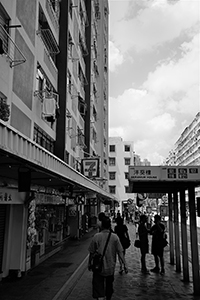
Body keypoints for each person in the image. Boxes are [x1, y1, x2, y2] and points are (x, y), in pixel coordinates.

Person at [88, 216, 127, 300]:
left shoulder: (96, 236)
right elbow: (120, 251)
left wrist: (89, 263)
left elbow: (91, 252)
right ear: (110, 226)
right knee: (109, 285)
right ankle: (108, 297)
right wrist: (125, 264)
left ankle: (100, 297)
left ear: (102, 226)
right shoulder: (115, 237)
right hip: (110, 266)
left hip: (98, 267)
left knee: (98, 284)